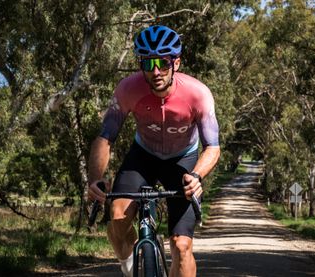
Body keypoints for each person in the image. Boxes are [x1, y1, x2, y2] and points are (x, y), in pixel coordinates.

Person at [87, 25, 220, 277]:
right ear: (140, 65)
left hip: (183, 159)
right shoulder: (128, 89)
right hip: (143, 156)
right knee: (117, 217)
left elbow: (212, 146)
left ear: (176, 63)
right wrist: (95, 178)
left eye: (163, 63)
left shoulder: (198, 94)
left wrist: (198, 176)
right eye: (148, 64)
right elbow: (105, 137)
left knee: (182, 246)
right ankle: (129, 266)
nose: (156, 71)